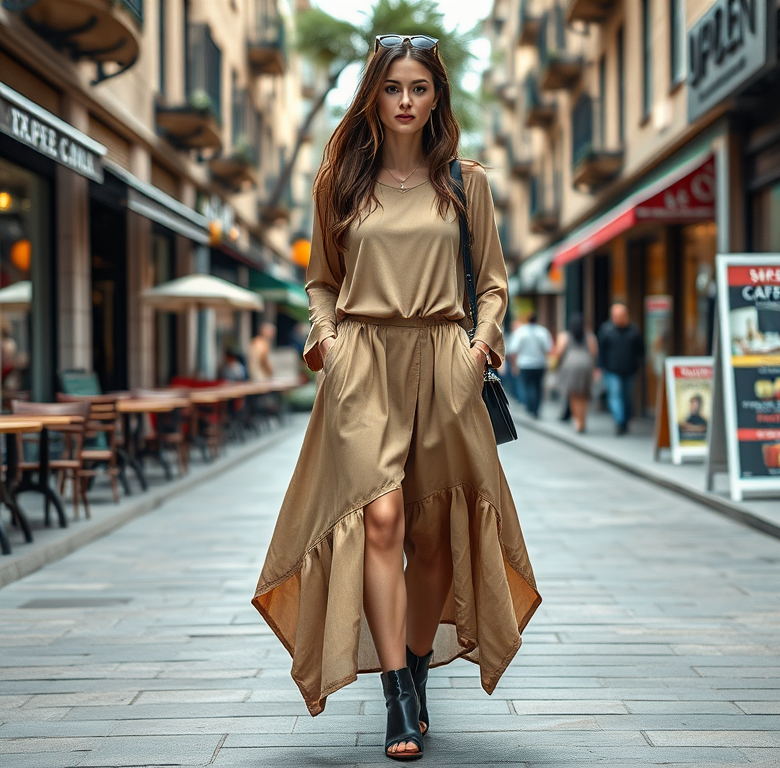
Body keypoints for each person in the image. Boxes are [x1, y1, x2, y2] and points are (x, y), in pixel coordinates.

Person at [251, 35, 540, 762]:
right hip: (363, 361)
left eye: (418, 88)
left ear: (436, 95)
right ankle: (397, 699)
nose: (406, 101)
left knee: (433, 530)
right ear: (372, 96)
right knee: (379, 517)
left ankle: (412, 668)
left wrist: (481, 348)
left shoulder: (465, 183)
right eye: (392, 88)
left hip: (446, 360)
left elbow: (495, 280)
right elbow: (320, 278)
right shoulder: (339, 183)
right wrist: (328, 338)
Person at [597, 303, 644, 436]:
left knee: (627, 397)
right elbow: (602, 350)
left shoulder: (634, 331)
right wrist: (600, 367)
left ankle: (626, 420)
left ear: (626, 316)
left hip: (629, 370)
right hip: (611, 370)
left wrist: (638, 365)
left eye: (621, 315)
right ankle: (620, 422)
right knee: (615, 395)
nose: (618, 318)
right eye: (616, 316)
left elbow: (641, 350)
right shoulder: (606, 330)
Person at [553, 313, 597, 433]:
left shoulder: (565, 336)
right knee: (584, 394)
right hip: (586, 363)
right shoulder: (589, 336)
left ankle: (577, 420)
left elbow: (559, 352)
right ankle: (583, 420)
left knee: (573, 394)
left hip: (570, 363)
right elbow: (594, 351)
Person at [507, 314, 552, 418]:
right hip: (539, 363)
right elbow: (548, 349)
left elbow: (513, 350)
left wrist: (514, 365)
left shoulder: (521, 332)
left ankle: (530, 407)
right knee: (538, 387)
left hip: (524, 364)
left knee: (527, 386)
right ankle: (535, 409)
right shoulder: (543, 332)